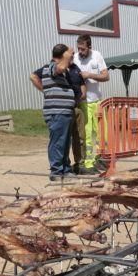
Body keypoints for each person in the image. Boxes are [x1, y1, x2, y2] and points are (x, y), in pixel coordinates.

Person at [31, 44, 81, 181]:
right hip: (57, 112)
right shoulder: (52, 66)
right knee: (58, 142)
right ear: (62, 55)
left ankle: (65, 169)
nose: (72, 56)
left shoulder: (61, 70)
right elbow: (60, 67)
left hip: (64, 111)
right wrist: (67, 56)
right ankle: (56, 171)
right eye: (70, 54)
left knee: (65, 142)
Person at [72, 35, 109, 174]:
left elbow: (106, 76)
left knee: (101, 133)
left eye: (83, 49)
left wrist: (90, 75)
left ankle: (101, 159)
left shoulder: (97, 56)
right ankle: (88, 163)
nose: (80, 52)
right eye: (78, 49)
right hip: (83, 103)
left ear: (89, 47)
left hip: (97, 101)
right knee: (87, 134)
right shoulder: (75, 58)